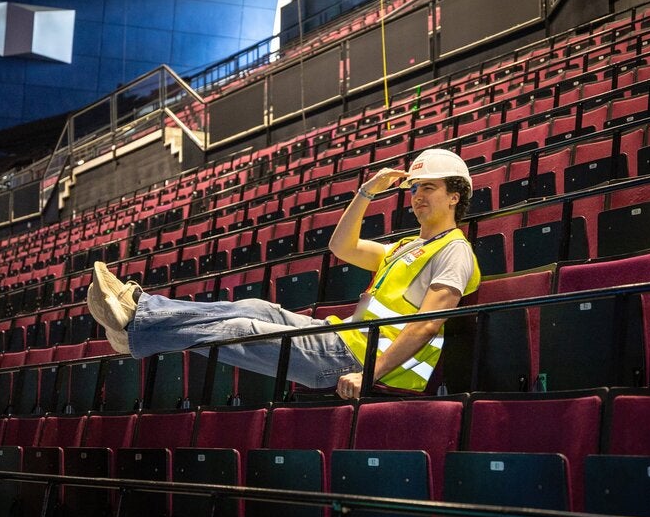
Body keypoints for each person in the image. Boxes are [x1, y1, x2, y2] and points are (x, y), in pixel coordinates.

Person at [87, 148, 480, 399]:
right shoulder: (407, 246)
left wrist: (368, 376)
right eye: (414, 188)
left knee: (239, 330)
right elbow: (341, 247)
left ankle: (134, 329)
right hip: (341, 340)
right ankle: (139, 313)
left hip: (361, 363)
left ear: (455, 195)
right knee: (256, 306)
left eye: (429, 187)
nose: (417, 196)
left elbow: (424, 327)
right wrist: (366, 192)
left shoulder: (455, 251)